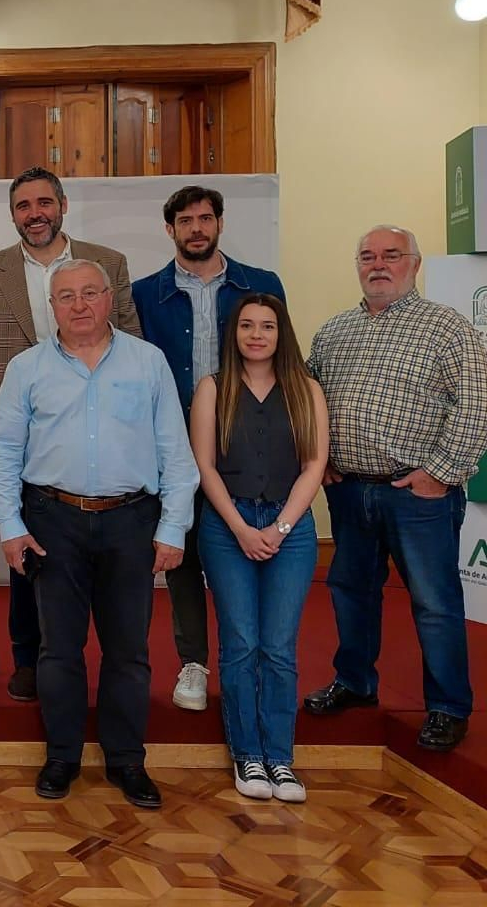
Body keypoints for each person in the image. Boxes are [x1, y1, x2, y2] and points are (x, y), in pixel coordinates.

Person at [0, 259, 196, 809]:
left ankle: (127, 760)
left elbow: (175, 451)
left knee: (129, 649)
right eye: (66, 296)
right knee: (58, 649)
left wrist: (173, 527)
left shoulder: (148, 362)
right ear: (51, 307)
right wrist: (10, 526)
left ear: (109, 298)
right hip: (51, 520)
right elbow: (4, 451)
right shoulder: (26, 368)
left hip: (132, 521)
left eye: (89, 293)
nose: (79, 305)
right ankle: (62, 755)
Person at [0, 168, 141, 702]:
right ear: (12, 214)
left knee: (97, 559)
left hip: (95, 430)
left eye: (44, 202)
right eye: (23, 206)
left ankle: (100, 664)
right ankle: (29, 659)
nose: (35, 214)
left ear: (62, 205)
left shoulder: (107, 263)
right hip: (16, 433)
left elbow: (133, 346)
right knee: (25, 549)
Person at [303, 226, 487, 753]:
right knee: (351, 592)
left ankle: (449, 706)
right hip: (349, 491)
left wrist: (441, 472)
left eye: (391, 255)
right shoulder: (334, 332)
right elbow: (308, 398)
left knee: (434, 603)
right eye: (367, 256)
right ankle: (355, 682)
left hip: (418, 495)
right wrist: (320, 458)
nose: (378, 264)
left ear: (415, 264)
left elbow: (476, 404)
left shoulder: (447, 328)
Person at [132, 186, 286, 713]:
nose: (196, 228)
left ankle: (252, 663)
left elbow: (282, 360)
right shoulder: (144, 294)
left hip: (245, 444)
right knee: (181, 554)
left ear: (220, 223)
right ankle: (193, 663)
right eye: (185, 220)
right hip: (170, 445)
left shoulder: (261, 285)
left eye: (205, 218)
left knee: (244, 556)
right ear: (169, 228)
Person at [189, 293, 326, 802]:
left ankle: (280, 760)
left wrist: (281, 527)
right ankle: (247, 755)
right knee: (241, 642)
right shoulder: (213, 388)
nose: (256, 335)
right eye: (246, 325)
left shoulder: (306, 389)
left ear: (280, 333)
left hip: (292, 529)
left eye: (267, 326)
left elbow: (314, 464)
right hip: (228, 527)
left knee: (279, 647)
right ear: (234, 333)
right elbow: (204, 467)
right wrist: (243, 529)